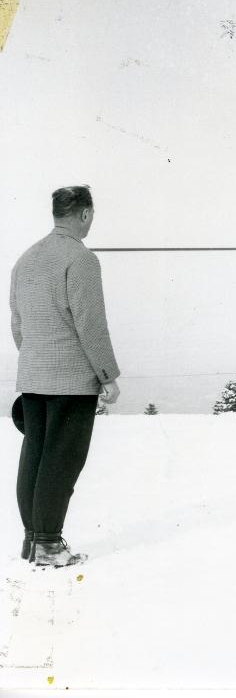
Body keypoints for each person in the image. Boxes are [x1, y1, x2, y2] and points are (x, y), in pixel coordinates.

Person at [10, 186, 120, 567]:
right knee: (62, 460)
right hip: (71, 381)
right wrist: (107, 375)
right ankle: (50, 546)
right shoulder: (81, 258)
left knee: (35, 457)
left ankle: (33, 541)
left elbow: (18, 325)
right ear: (85, 215)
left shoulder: (25, 259)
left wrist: (36, 361)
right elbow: (91, 324)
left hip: (33, 378)